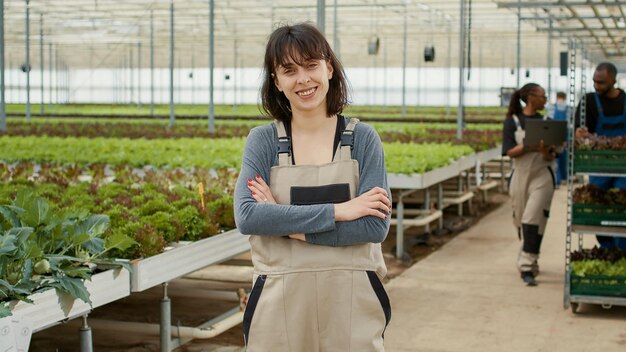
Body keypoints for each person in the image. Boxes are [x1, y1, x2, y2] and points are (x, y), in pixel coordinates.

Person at [234, 23, 392, 351]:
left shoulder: (363, 139)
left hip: (352, 300)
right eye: (289, 70)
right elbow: (248, 217)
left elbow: (374, 226)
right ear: (276, 81)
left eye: (311, 65)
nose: (303, 79)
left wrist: (286, 225)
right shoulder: (263, 141)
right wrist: (341, 210)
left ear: (329, 68)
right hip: (279, 303)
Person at [502, 83, 557, 286]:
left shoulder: (547, 122)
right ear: (531, 97)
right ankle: (531, 259)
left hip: (542, 174)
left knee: (533, 219)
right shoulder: (513, 122)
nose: (545, 100)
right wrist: (528, 146)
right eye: (543, 96)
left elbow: (553, 153)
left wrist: (544, 151)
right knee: (521, 220)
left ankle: (526, 267)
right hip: (520, 175)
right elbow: (508, 151)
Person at [575, 62, 626, 250]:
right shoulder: (588, 101)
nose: (597, 86)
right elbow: (577, 129)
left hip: (623, 169)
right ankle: (608, 250)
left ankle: (622, 251)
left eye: (602, 82)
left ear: (613, 79)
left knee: (621, 209)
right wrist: (578, 134)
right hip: (597, 167)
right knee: (599, 210)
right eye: (595, 82)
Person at [547, 91, 571, 185]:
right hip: (565, 133)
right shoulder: (569, 108)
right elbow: (570, 124)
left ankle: (556, 181)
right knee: (564, 158)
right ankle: (565, 179)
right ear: (565, 97)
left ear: (557, 97)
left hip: (554, 133)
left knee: (555, 156)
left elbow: (549, 121)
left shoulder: (551, 107)